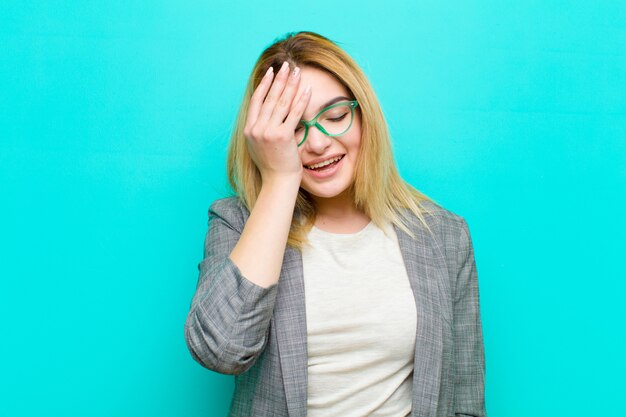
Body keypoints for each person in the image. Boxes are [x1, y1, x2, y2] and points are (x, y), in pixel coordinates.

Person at [184, 31, 486, 417]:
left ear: (364, 116)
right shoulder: (237, 223)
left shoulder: (444, 234)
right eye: (293, 127)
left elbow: (464, 400)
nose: (318, 143)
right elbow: (220, 350)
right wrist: (279, 180)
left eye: (336, 116)